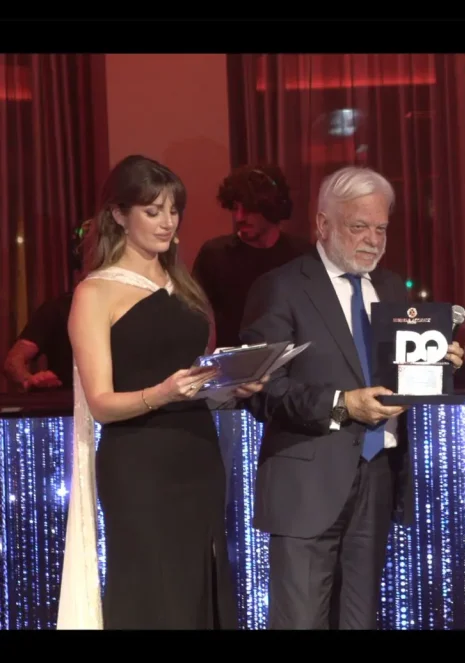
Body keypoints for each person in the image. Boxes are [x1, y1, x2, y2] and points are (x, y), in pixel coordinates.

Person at [238, 165, 464, 629]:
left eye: (381, 229)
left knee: (359, 622)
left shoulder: (392, 289)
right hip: (306, 485)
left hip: (377, 477)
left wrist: (439, 363)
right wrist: (344, 404)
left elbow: (398, 380)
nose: (373, 241)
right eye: (359, 227)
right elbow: (265, 393)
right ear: (323, 224)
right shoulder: (280, 287)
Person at [57, 155, 265, 629]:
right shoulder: (95, 293)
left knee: (196, 590)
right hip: (139, 466)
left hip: (198, 455)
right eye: (153, 211)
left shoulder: (182, 285)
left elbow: (195, 376)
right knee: (153, 594)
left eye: (173, 211)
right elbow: (102, 404)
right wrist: (162, 393)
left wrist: (230, 384)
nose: (167, 222)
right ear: (118, 215)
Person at [192, 164, 311, 349]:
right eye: (235, 208)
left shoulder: (302, 255)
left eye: (249, 209)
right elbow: (196, 318)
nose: (239, 217)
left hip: (290, 360)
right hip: (231, 363)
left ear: (272, 207)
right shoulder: (215, 255)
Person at [2, 219, 92, 392]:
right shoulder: (57, 309)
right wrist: (29, 379)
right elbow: (13, 362)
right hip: (68, 404)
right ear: (78, 272)